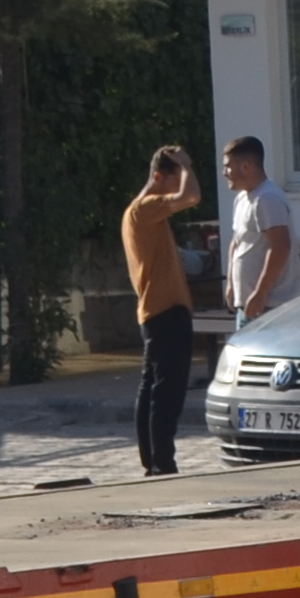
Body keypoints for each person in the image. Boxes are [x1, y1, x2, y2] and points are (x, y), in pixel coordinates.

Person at [122, 147, 206, 476]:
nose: (179, 184)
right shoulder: (144, 208)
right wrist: (187, 165)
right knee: (167, 391)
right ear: (159, 177)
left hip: (158, 310)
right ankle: (162, 461)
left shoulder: (141, 212)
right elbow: (191, 196)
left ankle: (153, 459)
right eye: (174, 177)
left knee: (153, 388)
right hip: (165, 311)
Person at [222, 134, 295, 321]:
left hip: (270, 306)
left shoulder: (267, 198)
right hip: (247, 303)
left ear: (246, 166)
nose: (224, 173)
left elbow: (280, 247)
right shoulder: (242, 199)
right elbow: (236, 243)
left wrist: (261, 292)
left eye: (228, 166)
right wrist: (231, 284)